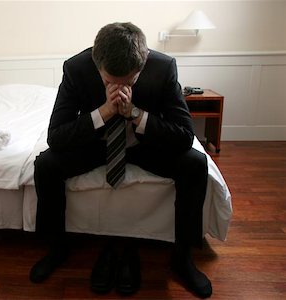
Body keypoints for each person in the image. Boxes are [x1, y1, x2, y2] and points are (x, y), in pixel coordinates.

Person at [29, 22, 212, 298]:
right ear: (96, 63)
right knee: (45, 165)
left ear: (142, 65)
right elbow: (56, 136)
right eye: (108, 81)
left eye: (128, 82)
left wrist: (135, 113)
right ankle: (57, 248)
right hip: (96, 144)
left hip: (143, 144)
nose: (118, 88)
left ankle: (182, 257)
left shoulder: (163, 68)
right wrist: (102, 112)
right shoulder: (76, 68)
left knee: (196, 164)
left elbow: (184, 135)